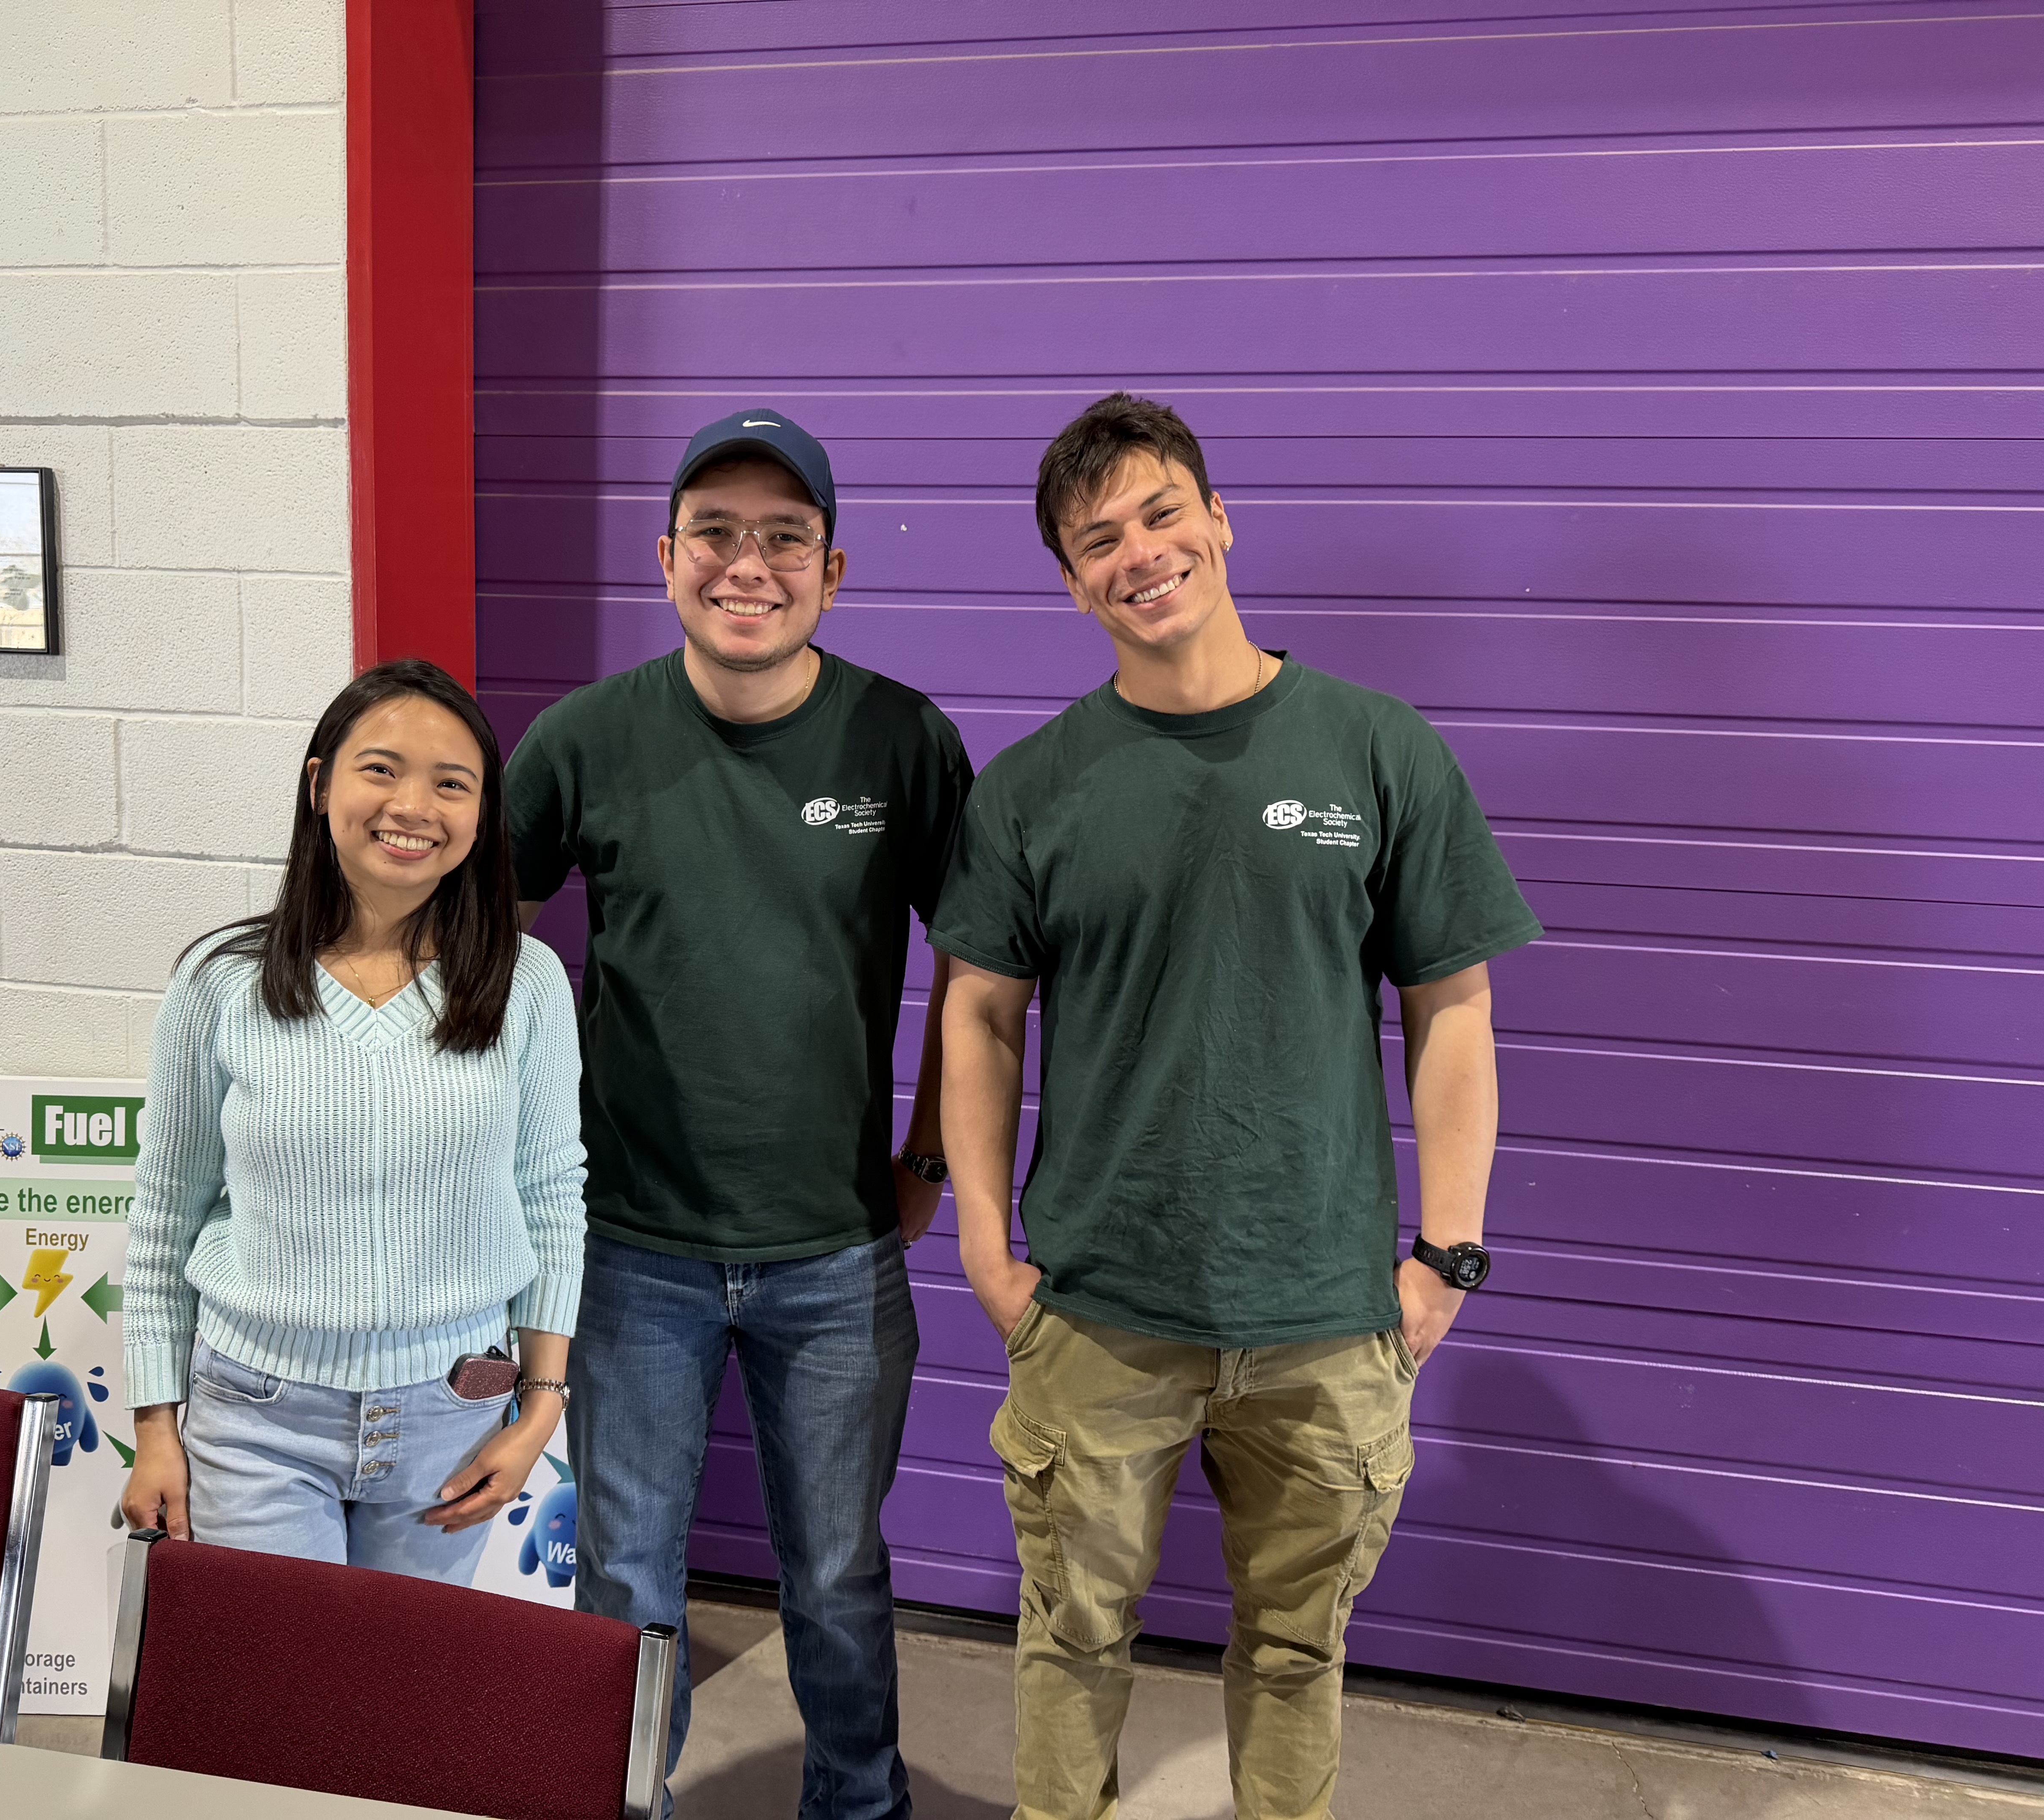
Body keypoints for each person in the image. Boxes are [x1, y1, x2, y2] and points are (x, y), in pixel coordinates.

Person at [935, 394, 1542, 1820]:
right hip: (1096, 1307)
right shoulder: (1034, 789)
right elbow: (978, 1015)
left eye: (1160, 515)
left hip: (1327, 1311)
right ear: (1071, 580)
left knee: (1292, 1647)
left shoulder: (1374, 750)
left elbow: (1452, 1011)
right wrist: (981, 1245)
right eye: (1098, 541)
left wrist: (1445, 1252)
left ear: (1217, 519)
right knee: (1070, 1638)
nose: (1139, 555)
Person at [507, 409, 973, 1819]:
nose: (747, 565)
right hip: (629, 1248)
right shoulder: (585, 740)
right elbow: (485, 972)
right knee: (628, 1572)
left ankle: (857, 1804)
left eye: (784, 538)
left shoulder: (904, 741)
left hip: (832, 1255)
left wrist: (929, 1157)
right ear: (667, 559)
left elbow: (982, 972)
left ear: (832, 570)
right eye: (716, 533)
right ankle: (616, 1798)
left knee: (835, 1573)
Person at [120, 659, 587, 1580]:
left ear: (482, 812)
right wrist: (154, 1427)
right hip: (253, 1415)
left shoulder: (526, 984)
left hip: (452, 1410)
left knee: (400, 1698)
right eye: (381, 769)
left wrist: (539, 1409)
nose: (413, 805)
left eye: (452, 784)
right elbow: (165, 1212)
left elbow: (550, 1199)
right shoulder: (221, 979)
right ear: (320, 781)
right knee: (277, 1698)